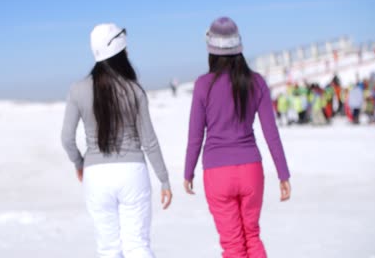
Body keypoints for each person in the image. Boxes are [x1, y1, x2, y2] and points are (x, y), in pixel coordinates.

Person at [61, 23, 172, 258]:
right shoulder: (134, 90)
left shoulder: (77, 90)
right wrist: (164, 179)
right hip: (133, 173)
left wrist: (79, 163)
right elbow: (149, 141)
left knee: (108, 249)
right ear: (120, 52)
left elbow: (66, 138)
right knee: (138, 246)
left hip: (96, 176)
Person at [183, 17, 291, 258]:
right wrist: (283, 174)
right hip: (251, 169)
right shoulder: (256, 82)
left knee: (233, 245)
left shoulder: (203, 85)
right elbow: (271, 133)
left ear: (211, 49)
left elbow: (195, 135)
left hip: (217, 172)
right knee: (251, 237)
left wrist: (188, 171)